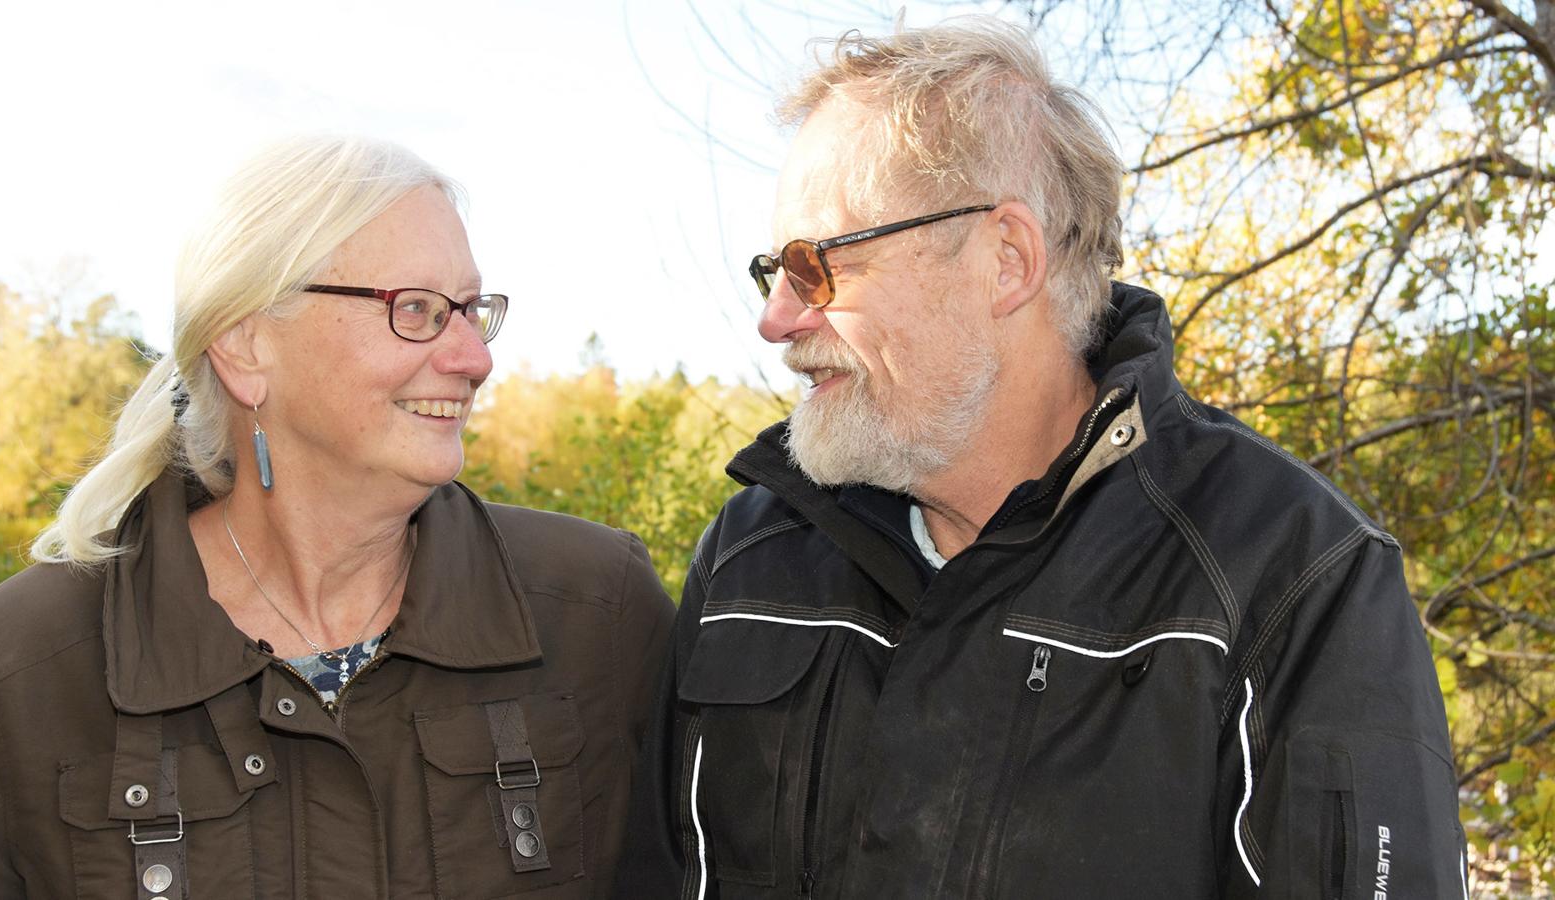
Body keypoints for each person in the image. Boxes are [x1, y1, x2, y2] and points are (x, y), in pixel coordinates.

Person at [617, 17, 1465, 899]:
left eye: (815, 265)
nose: (777, 319)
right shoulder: (751, 556)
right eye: (773, 271)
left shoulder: (1293, 574)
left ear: (1006, 259)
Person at [0, 135, 675, 898]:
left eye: (471, 310)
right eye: (418, 310)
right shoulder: (7, 674)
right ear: (244, 345)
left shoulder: (601, 613)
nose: (474, 358)